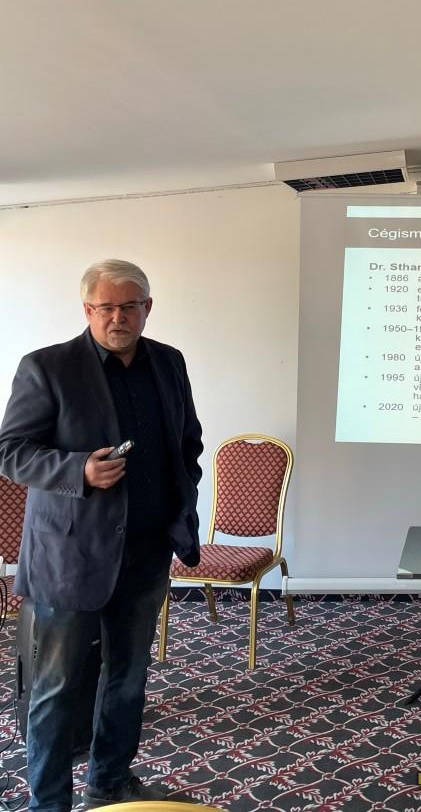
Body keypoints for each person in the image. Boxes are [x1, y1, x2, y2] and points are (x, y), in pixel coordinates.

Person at [0, 259, 203, 812]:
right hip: (71, 557)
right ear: (87, 309)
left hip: (147, 552)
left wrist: (181, 497)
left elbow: (187, 439)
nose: (118, 318)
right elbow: (11, 451)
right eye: (106, 307)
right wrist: (79, 471)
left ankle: (108, 783)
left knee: (129, 678)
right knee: (57, 686)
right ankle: (48, 803)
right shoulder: (47, 367)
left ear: (147, 308)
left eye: (129, 306)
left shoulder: (169, 361)